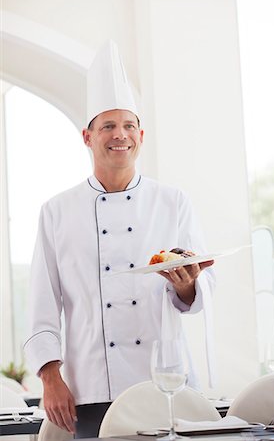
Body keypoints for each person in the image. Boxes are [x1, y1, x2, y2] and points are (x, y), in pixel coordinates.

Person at [24, 40, 216, 439]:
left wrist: (188, 287)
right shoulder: (56, 211)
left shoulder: (173, 201)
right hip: (90, 388)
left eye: (128, 125)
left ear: (140, 135)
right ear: (87, 137)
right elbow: (43, 307)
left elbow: (199, 293)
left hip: (166, 383)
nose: (120, 135)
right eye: (108, 126)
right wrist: (49, 378)